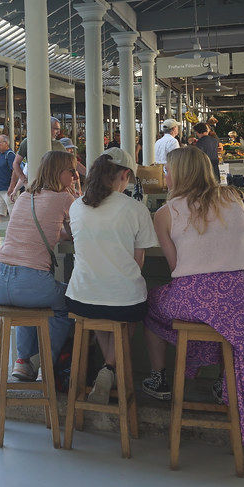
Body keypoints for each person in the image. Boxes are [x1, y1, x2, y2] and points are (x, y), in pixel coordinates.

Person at [142, 147, 244, 445]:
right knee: (225, 326)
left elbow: (177, 268)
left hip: (191, 299)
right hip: (238, 298)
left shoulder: (164, 214)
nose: (165, 175)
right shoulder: (236, 198)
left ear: (180, 174)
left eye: (168, 170)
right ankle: (225, 384)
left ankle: (159, 376)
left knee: (149, 306)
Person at [65, 147, 158, 404]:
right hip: (124, 303)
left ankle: (107, 370)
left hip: (80, 298)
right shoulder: (135, 209)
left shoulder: (76, 207)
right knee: (121, 309)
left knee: (103, 311)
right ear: (125, 175)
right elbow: (138, 263)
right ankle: (110, 369)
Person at [0, 150, 79, 381]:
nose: (76, 175)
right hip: (30, 281)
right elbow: (80, 229)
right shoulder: (65, 198)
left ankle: (23, 361)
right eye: (71, 171)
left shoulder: (25, 196)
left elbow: (47, 227)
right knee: (70, 302)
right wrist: (76, 195)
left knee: (28, 306)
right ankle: (45, 362)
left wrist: (59, 232)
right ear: (59, 172)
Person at [9, 117, 65, 193]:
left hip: (55, 188)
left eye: (59, 129)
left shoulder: (58, 145)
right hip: (34, 189)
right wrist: (24, 182)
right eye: (56, 129)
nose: (58, 132)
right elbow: (16, 163)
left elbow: (70, 162)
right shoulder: (27, 142)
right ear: (46, 127)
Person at [0, 134, 15, 226]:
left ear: (6, 143)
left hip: (8, 189)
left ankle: (16, 232)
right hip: (0, 190)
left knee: (13, 212)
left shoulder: (10, 155)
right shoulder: (1, 155)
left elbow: (15, 171)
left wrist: (12, 187)